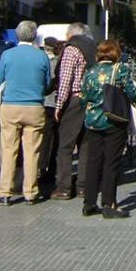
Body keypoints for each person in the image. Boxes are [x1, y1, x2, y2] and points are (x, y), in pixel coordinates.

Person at [80, 39, 136, 219]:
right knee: (111, 163)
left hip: (92, 121)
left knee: (93, 162)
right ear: (115, 53)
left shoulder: (90, 71)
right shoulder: (119, 69)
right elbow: (132, 93)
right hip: (112, 120)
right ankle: (109, 203)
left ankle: (89, 202)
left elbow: (83, 97)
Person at [0, 20, 52, 206]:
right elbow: (46, 83)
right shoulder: (41, 56)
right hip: (34, 106)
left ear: (18, 35)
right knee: (32, 151)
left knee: (9, 149)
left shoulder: (7, 55)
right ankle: (30, 192)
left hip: (11, 105)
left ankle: (4, 191)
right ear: (34, 36)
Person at [51, 23, 97, 200]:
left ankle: (64, 187)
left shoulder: (72, 49)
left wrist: (59, 104)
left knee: (66, 146)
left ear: (71, 35)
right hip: (91, 100)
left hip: (75, 100)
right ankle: (83, 187)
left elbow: (65, 79)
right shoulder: (94, 48)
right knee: (85, 145)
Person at [38, 36, 60, 187]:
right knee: (53, 139)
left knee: (43, 138)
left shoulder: (43, 60)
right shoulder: (58, 61)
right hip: (55, 103)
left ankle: (41, 167)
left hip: (44, 102)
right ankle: (49, 168)